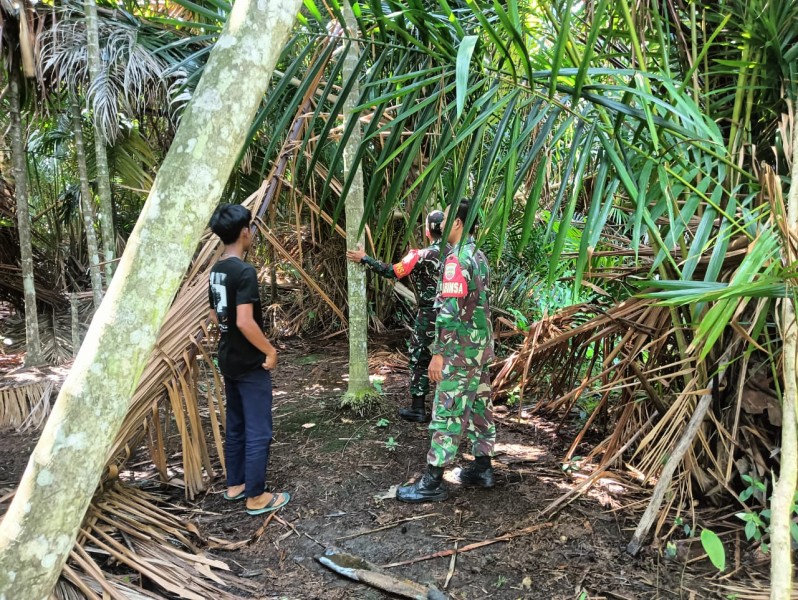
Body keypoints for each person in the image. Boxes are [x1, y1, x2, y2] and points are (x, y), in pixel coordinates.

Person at [396, 199, 496, 503]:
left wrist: (439, 352)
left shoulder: (456, 261)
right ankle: (482, 466)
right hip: (479, 347)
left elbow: (450, 310)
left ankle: (433, 480)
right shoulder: (477, 255)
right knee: (480, 405)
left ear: (458, 223)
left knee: (446, 408)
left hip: (459, 349)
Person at [208, 203, 290, 515]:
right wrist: (269, 350)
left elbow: (218, 315)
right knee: (259, 428)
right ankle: (256, 496)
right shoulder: (244, 272)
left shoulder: (217, 270)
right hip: (248, 361)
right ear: (245, 232)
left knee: (237, 423)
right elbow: (244, 321)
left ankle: (236, 483)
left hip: (228, 357)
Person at [346, 210, 446, 422]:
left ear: (428, 231)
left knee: (420, 359)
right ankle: (448, 410)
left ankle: (418, 409)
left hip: (428, 315)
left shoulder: (419, 256)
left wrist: (365, 259)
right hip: (454, 315)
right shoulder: (458, 255)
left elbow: (392, 271)